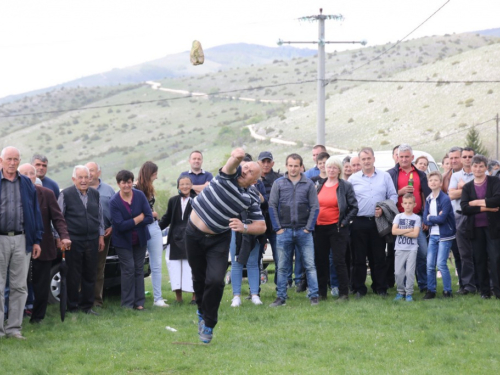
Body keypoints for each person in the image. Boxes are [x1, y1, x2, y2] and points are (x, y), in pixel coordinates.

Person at [185, 148, 265, 344]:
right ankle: (202, 312)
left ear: (254, 181)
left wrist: (244, 227)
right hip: (193, 233)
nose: (245, 171)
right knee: (199, 277)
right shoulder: (227, 176)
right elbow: (231, 164)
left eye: (250, 171)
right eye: (245, 167)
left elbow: (261, 226)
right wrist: (237, 157)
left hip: (218, 239)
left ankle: (209, 323)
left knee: (216, 281)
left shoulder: (251, 197)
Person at [18, 164, 71, 324]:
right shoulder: (14, 194)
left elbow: (58, 218)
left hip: (44, 246)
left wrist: (64, 236)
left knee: (41, 285)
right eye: (24, 174)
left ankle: (37, 317)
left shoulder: (47, 194)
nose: (28, 177)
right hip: (19, 245)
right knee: (18, 284)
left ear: (36, 177)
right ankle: (15, 316)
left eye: (31, 174)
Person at [0, 147, 43, 340]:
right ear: (1, 160)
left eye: (15, 159)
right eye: (9, 159)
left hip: (22, 239)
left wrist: (36, 240)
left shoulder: (26, 183)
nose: (12, 162)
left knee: (19, 286)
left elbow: (35, 212)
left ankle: (13, 329)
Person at [268, 153, 320, 307]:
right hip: (284, 231)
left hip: (304, 231)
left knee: (310, 265)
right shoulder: (278, 183)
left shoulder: (309, 184)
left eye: (296, 165)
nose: (293, 168)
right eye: (290, 165)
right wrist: (277, 228)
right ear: (286, 166)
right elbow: (272, 206)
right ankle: (281, 297)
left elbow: (315, 207)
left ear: (301, 166)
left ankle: (314, 296)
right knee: (283, 266)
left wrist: (308, 228)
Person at [349, 147, 398, 298]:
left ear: (374, 159)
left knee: (378, 257)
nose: (366, 161)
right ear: (360, 161)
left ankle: (380, 287)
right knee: (359, 258)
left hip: (379, 222)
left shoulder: (384, 177)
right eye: (363, 159)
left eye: (368, 158)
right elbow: (349, 200)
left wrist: (384, 209)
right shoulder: (353, 179)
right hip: (359, 222)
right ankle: (359, 289)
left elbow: (393, 195)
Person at [58, 165, 105, 315]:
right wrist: (60, 238)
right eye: (80, 177)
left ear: (90, 178)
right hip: (73, 240)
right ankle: (72, 307)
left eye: (86, 177)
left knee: (90, 274)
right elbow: (59, 218)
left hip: (91, 239)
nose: (84, 180)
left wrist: (101, 236)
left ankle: (87, 306)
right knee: (73, 274)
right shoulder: (66, 194)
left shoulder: (95, 194)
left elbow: (100, 217)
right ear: (74, 179)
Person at [387, 144, 430, 293]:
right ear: (397, 157)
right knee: (401, 254)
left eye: (407, 156)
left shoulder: (420, 174)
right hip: (398, 218)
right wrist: (400, 192)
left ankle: (423, 285)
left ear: (412, 158)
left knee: (423, 253)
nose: (404, 159)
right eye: (401, 156)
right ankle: (403, 287)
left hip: (417, 217)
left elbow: (426, 197)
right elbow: (387, 196)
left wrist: (426, 218)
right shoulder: (390, 174)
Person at [314, 157, 358, 300]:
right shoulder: (319, 185)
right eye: (329, 167)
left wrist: (344, 223)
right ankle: (321, 293)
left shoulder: (345, 186)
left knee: (339, 261)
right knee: (321, 261)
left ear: (339, 170)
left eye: (334, 167)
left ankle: (343, 293)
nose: (331, 170)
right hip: (320, 228)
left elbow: (354, 207)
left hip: (337, 228)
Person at [110, 170, 154, 309]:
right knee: (128, 269)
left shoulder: (140, 196)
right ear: (118, 184)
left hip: (140, 240)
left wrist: (135, 220)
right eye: (123, 183)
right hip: (123, 242)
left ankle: (139, 303)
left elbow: (149, 217)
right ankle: (127, 304)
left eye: (129, 182)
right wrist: (138, 218)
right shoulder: (114, 201)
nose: (127, 185)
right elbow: (120, 226)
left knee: (138, 269)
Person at [460, 155, 500, 299]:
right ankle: (484, 292)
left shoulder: (495, 181)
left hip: (493, 227)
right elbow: (464, 207)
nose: (478, 169)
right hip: (475, 228)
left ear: (485, 167)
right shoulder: (467, 187)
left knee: (495, 259)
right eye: (475, 166)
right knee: (480, 259)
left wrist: (475, 202)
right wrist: (487, 208)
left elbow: (497, 200)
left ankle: (498, 291)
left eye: (481, 166)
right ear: (471, 168)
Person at [135, 161, 168, 307]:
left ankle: (158, 298)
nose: (156, 176)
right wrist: (152, 213)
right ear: (149, 173)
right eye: (154, 173)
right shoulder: (135, 188)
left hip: (153, 226)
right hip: (141, 227)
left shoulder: (148, 188)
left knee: (156, 264)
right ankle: (138, 298)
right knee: (138, 264)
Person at [159, 176, 196, 304]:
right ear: (178, 186)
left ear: (191, 185)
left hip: (191, 237)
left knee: (191, 267)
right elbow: (166, 218)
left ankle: (194, 297)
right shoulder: (173, 200)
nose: (184, 186)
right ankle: (178, 298)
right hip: (174, 238)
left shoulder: (197, 200)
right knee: (174, 268)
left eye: (187, 184)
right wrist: (155, 228)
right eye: (182, 184)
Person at [86, 162, 116, 308]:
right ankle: (82, 299)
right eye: (87, 171)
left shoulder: (109, 190)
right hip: (84, 235)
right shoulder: (80, 189)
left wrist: (112, 227)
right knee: (83, 267)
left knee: (99, 267)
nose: (89, 174)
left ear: (99, 172)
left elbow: (117, 210)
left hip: (104, 235)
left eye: (92, 170)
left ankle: (97, 301)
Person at [423, 171, 456, 300]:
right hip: (433, 235)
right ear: (428, 183)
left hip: (445, 235)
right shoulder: (428, 198)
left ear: (441, 183)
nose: (433, 182)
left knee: (441, 263)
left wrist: (432, 217)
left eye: (436, 180)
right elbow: (425, 220)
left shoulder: (445, 199)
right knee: (430, 264)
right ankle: (431, 290)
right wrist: (432, 217)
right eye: (431, 181)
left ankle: (448, 291)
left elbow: (442, 219)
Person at [449, 147, 477, 295]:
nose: (467, 159)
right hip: (460, 216)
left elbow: (483, 194)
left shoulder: (482, 173)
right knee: (464, 253)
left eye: (469, 156)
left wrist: (463, 188)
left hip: (479, 216)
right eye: (464, 156)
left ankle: (484, 284)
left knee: (481, 252)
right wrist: (470, 189)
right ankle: (468, 286)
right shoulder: (456, 176)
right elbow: (452, 195)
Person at [258, 151, 282, 285]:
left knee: (279, 257)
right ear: (258, 163)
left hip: (274, 223)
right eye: (263, 161)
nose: (266, 164)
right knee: (255, 258)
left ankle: (280, 287)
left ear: (273, 163)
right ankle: (255, 290)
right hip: (258, 222)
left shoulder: (279, 179)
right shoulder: (252, 179)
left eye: (268, 162)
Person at [392, 193, 421, 302]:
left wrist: (401, 231)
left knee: (409, 272)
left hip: (412, 249)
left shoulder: (416, 218)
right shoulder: (398, 217)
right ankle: (400, 292)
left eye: (410, 203)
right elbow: (394, 231)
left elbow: (415, 234)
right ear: (402, 204)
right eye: (405, 203)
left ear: (414, 204)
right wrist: (409, 230)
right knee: (398, 272)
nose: (408, 205)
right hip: (399, 248)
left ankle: (409, 293)